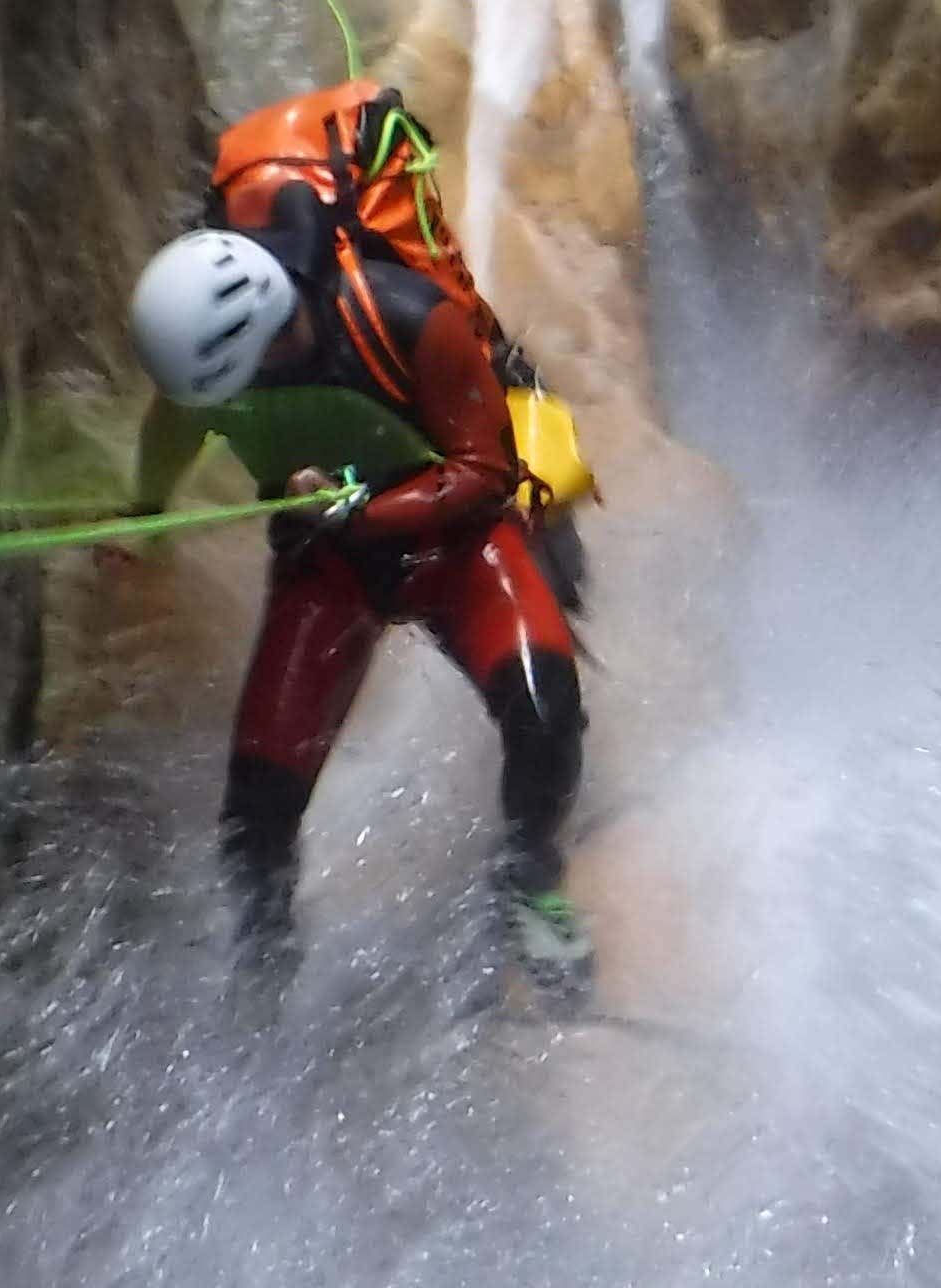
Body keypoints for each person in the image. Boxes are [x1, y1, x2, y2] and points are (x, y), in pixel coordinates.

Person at [126, 225, 593, 1014]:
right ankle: (261, 959)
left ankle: (532, 878)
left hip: (455, 545)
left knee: (547, 711)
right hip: (332, 568)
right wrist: (141, 513)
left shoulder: (409, 320)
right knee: (256, 811)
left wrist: (361, 511)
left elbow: (483, 471)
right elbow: (171, 425)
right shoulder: (218, 371)